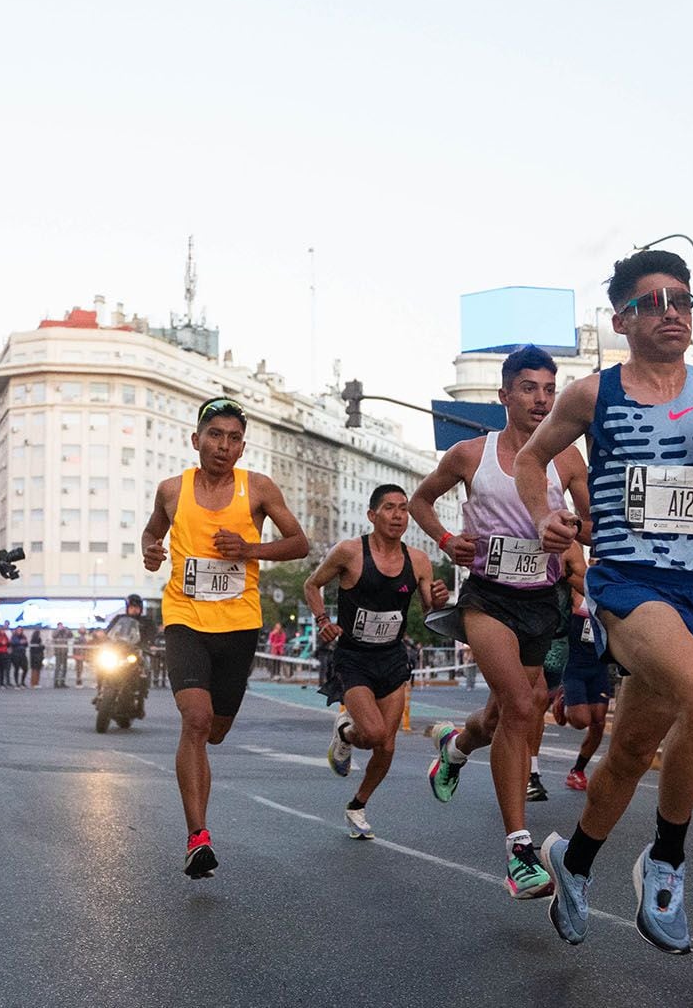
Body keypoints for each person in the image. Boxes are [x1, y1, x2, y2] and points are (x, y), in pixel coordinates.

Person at [522, 249, 693, 953]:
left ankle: (573, 861)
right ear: (622, 319)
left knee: (631, 751)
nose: (672, 310)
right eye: (653, 301)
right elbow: (531, 457)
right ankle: (667, 860)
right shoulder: (594, 394)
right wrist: (543, 519)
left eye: (682, 298)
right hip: (627, 584)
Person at [409, 345, 589, 899]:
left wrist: (573, 533)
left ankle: (457, 747)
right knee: (519, 705)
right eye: (529, 388)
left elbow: (592, 523)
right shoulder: (470, 455)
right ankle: (519, 853)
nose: (541, 399)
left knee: (513, 708)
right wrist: (447, 541)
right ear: (505, 395)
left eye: (549, 389)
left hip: (542, 600)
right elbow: (420, 501)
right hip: (487, 599)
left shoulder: (567, 460)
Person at [142, 396, 309, 877]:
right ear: (196, 440)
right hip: (185, 616)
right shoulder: (171, 490)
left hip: (238, 623)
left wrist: (250, 547)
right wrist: (152, 552)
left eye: (234, 438)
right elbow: (152, 536)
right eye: (215, 435)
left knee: (215, 730)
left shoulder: (257, 488)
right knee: (194, 720)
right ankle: (198, 837)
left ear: (241, 447)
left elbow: (299, 543)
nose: (223, 445)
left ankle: (199, 818)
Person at [305, 483, 450, 839]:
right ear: (372, 515)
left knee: (386, 745)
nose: (398, 515)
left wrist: (440, 599)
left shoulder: (418, 560)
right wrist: (323, 621)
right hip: (353, 657)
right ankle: (346, 732)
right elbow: (312, 584)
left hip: (392, 657)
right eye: (389, 507)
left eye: (403, 508)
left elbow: (429, 609)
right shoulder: (349, 552)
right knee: (371, 734)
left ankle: (357, 806)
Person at [556, 544, 610, 792]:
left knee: (598, 721)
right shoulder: (581, 588)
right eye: (597, 560)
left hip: (599, 667)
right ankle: (565, 696)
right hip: (576, 666)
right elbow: (564, 570)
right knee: (580, 721)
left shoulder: (612, 592)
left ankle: (577, 770)